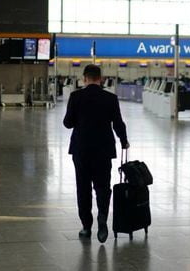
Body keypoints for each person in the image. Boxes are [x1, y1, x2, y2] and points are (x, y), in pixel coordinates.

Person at [63, 64, 129, 243]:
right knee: (102, 187)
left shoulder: (75, 97)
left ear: (84, 78)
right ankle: (102, 219)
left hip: (81, 149)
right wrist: (124, 141)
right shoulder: (110, 98)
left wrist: (79, 118)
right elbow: (118, 124)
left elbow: (67, 123)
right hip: (103, 150)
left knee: (83, 188)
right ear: (101, 78)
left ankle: (86, 226)